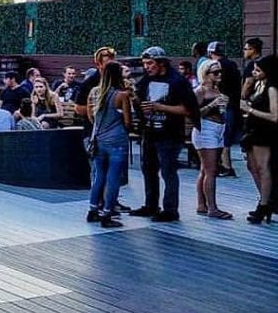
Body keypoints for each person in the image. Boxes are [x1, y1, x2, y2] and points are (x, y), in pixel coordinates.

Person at [132, 46, 198, 223]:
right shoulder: (146, 79)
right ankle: (151, 204)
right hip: (150, 131)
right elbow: (139, 97)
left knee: (168, 171)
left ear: (161, 63)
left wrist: (159, 107)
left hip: (169, 133)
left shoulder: (177, 81)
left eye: (150, 63)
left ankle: (171, 209)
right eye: (145, 63)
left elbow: (187, 109)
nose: (147, 67)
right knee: (148, 169)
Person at [85, 61, 132, 228]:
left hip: (99, 139)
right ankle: (107, 214)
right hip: (117, 140)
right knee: (113, 179)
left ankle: (92, 210)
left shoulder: (95, 92)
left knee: (99, 176)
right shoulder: (122, 95)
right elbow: (128, 122)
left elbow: (91, 117)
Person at [240, 55, 277, 224]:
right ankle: (265, 199)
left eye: (258, 70)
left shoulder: (272, 88)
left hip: (264, 132)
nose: (254, 73)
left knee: (263, 168)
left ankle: (264, 204)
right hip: (253, 130)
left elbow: (275, 116)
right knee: (253, 167)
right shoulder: (259, 85)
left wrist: (250, 109)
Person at [192, 61, 231, 219]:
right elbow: (194, 114)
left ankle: (202, 204)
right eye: (215, 73)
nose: (219, 75)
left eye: (220, 72)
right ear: (205, 74)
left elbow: (220, 111)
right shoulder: (200, 91)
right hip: (205, 129)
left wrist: (222, 105)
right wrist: (213, 104)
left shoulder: (217, 89)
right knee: (211, 170)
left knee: (205, 169)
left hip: (218, 129)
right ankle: (212, 208)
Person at [208, 41, 242, 178]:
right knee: (226, 134)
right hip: (234, 103)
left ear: (210, 53)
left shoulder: (216, 66)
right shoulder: (232, 64)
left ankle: (225, 166)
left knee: (222, 135)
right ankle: (225, 165)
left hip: (222, 104)